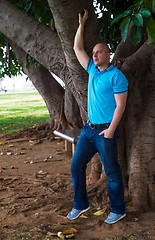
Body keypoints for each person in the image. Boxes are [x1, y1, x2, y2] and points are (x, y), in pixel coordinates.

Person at [67, 9, 128, 224]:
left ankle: (118, 209)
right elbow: (77, 48)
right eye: (94, 52)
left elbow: (120, 106)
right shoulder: (91, 69)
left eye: (99, 52)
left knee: (112, 171)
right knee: (76, 165)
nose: (95, 55)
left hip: (105, 130)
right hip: (88, 129)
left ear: (108, 54)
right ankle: (81, 204)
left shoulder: (116, 76)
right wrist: (81, 24)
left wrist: (111, 129)